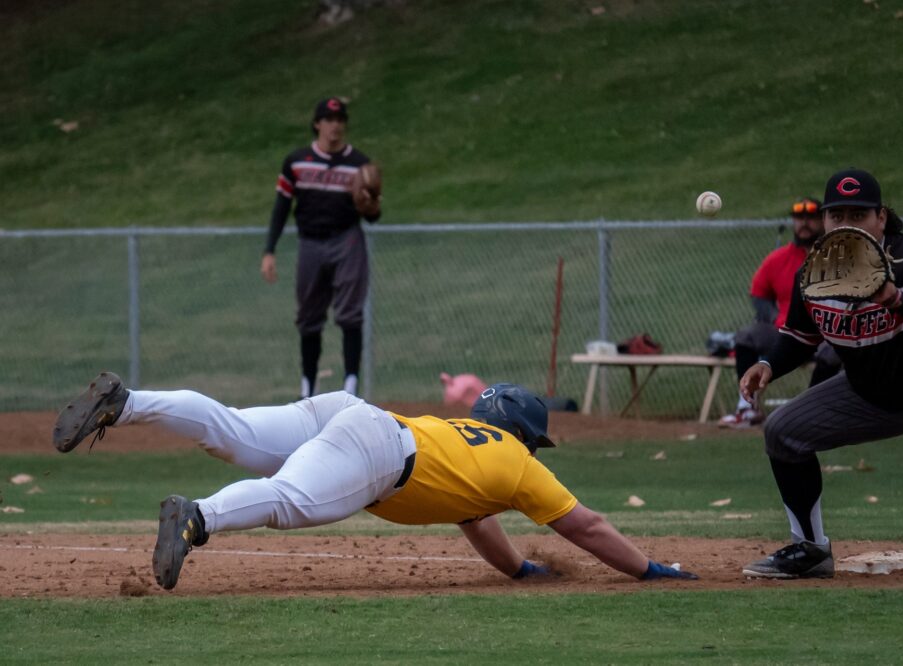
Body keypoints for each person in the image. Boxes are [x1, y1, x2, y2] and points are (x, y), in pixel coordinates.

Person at [52, 373, 699, 590]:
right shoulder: (520, 466)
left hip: (354, 413)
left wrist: (520, 570)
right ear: (524, 433)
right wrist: (650, 570)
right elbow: (586, 526)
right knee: (291, 501)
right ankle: (197, 518)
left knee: (234, 430)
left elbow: (477, 523)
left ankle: (128, 403)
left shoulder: (466, 447)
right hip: (377, 451)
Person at [738, 168, 903, 579]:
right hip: (871, 393)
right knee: (782, 431)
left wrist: (897, 299)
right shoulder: (813, 271)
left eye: (857, 215)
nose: (845, 224)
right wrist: (767, 364)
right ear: (824, 220)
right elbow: (801, 336)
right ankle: (811, 551)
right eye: (836, 215)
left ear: (881, 218)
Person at [260, 97, 381, 399]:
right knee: (309, 317)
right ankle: (307, 389)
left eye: (340, 120)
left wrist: (370, 205)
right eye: (328, 120)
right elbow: (281, 207)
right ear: (317, 124)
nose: (335, 126)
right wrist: (269, 250)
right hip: (310, 243)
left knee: (350, 314)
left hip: (347, 240)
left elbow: (373, 216)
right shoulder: (297, 162)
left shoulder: (359, 164)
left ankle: (350, 387)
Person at [718, 197, 841, 428]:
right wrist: (773, 317)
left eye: (811, 217)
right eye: (799, 218)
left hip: (826, 334)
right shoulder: (778, 259)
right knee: (746, 336)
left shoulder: (837, 257)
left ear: (824, 220)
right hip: (785, 332)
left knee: (833, 350)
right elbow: (758, 293)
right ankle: (747, 409)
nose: (804, 223)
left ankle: (811, 413)